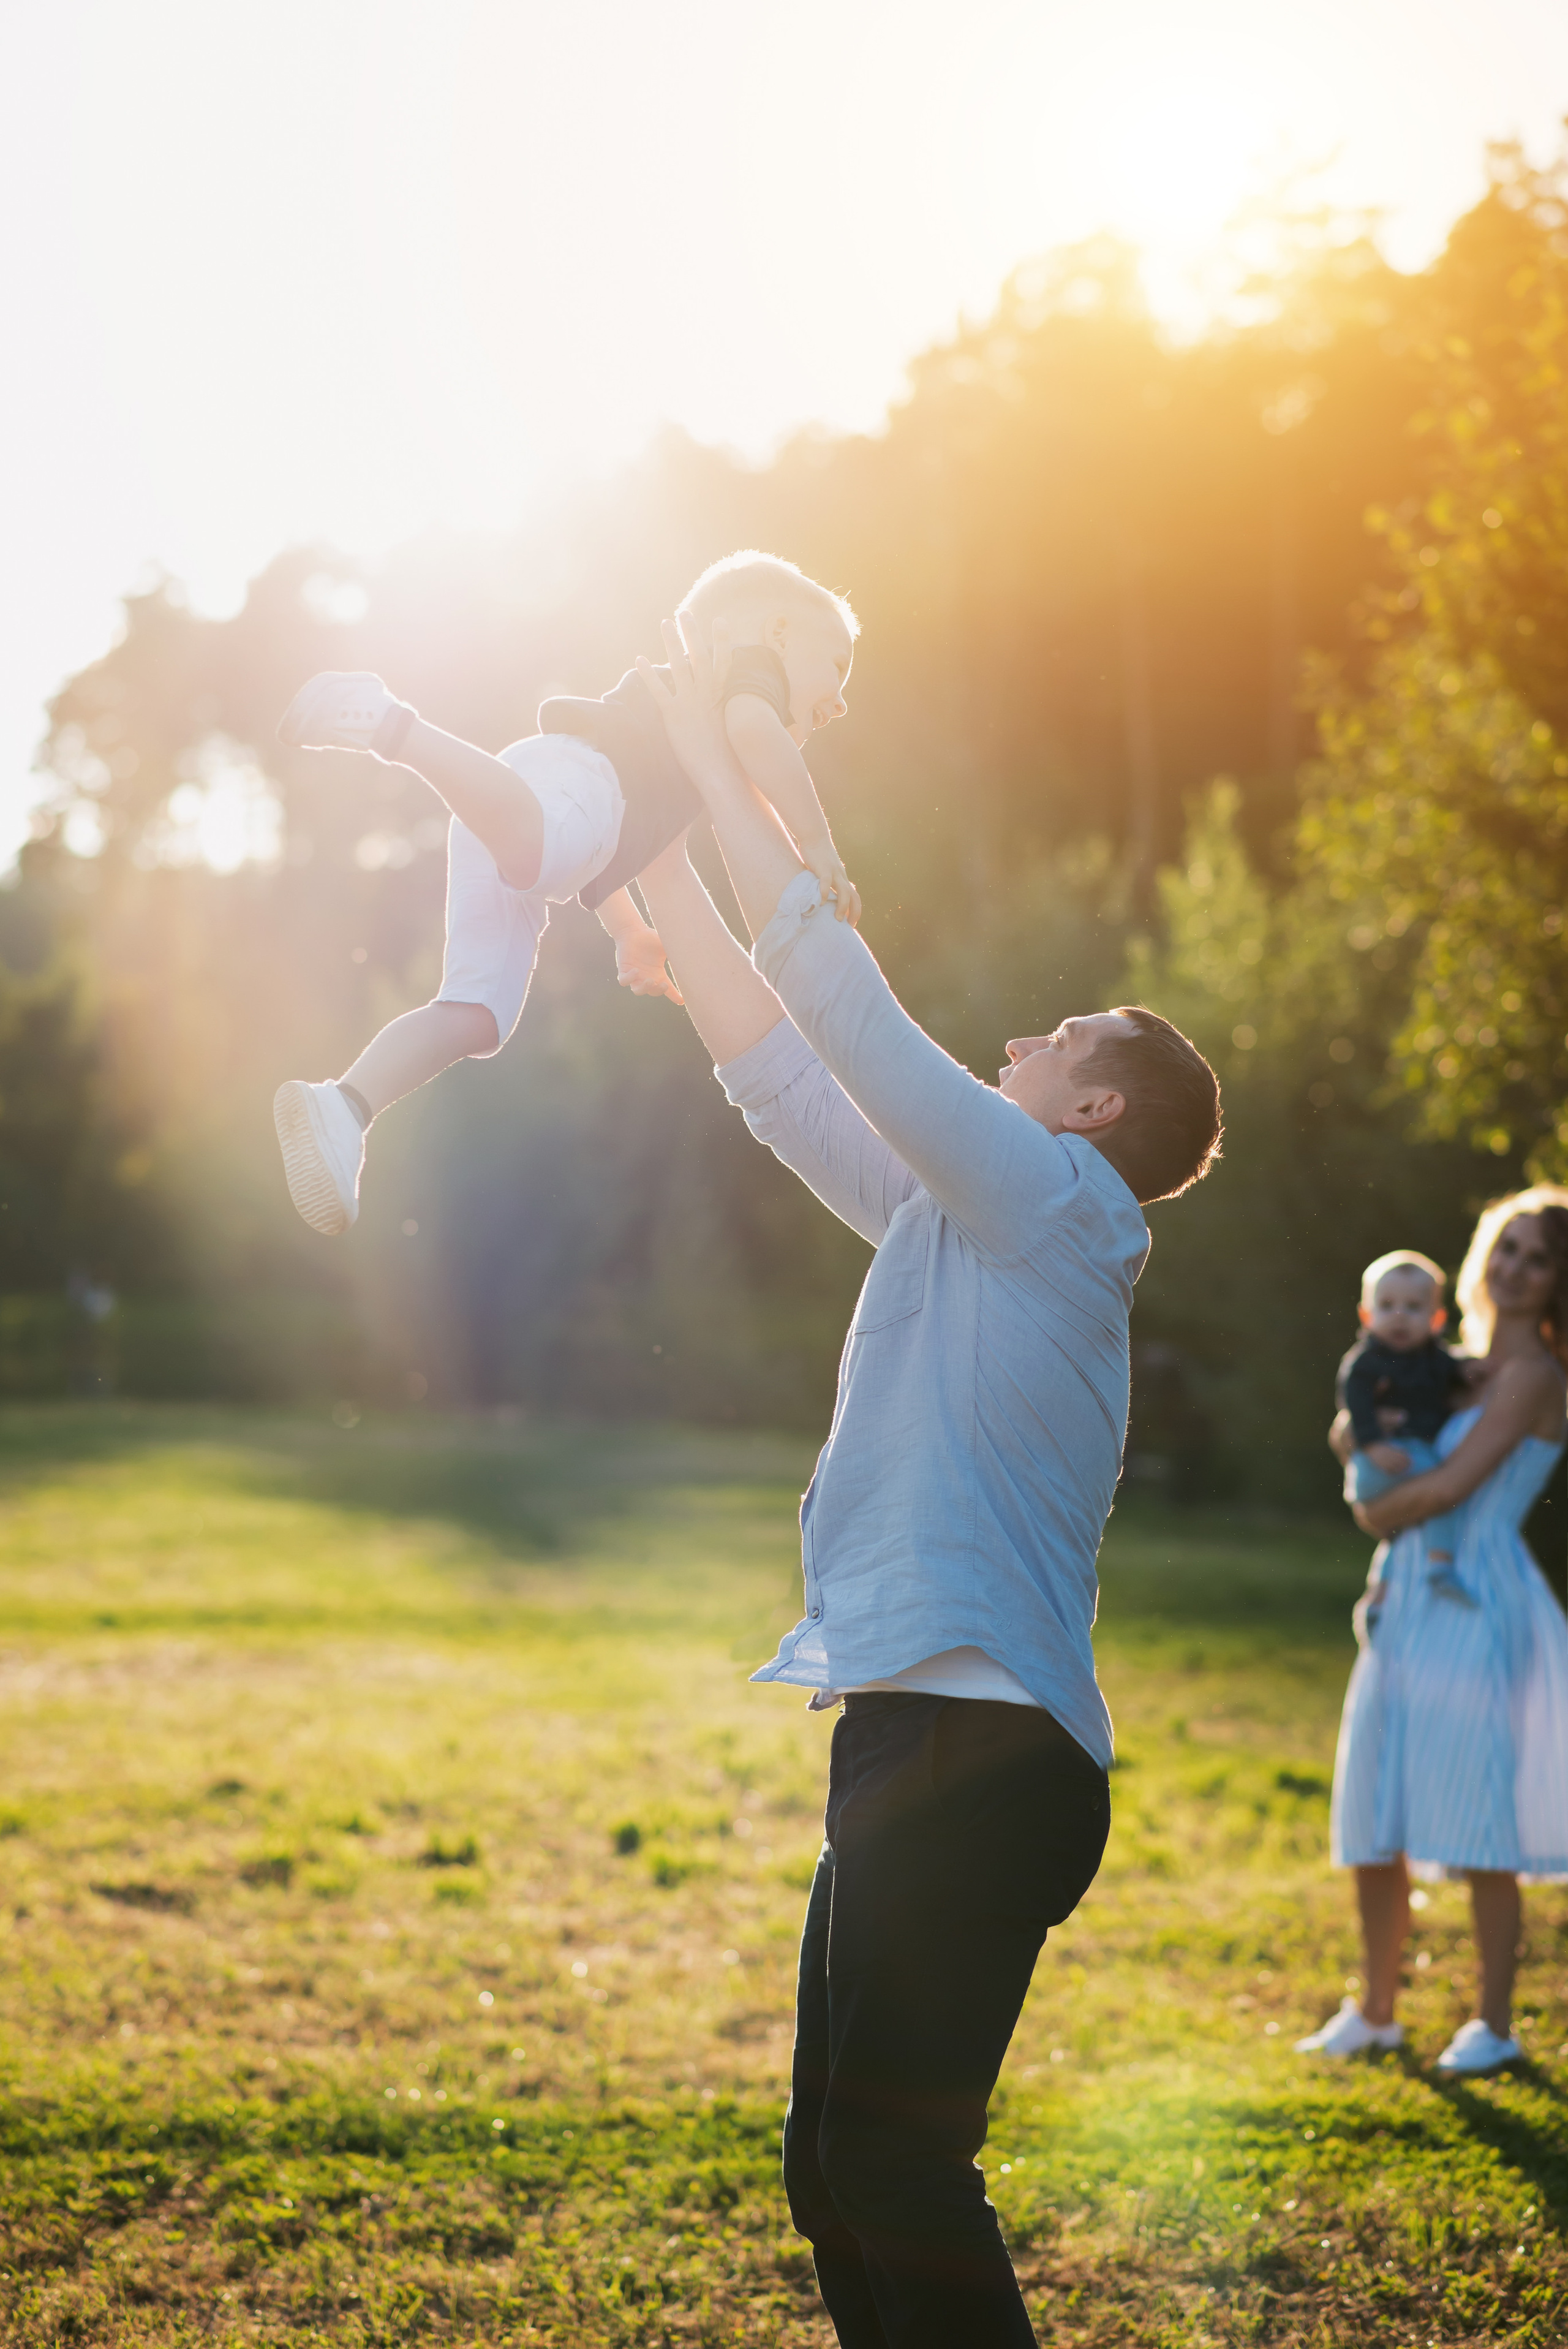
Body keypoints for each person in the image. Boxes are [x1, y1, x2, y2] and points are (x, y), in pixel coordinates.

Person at [631, 618, 1223, 2349]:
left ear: (1094, 1102)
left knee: (898, 2170)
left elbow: (838, 994)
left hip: (989, 1755)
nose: (1021, 1036)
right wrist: (657, 849)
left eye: (1056, 1035)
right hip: (913, 1733)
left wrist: (707, 744)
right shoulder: (957, 1215)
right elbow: (784, 1077)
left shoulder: (1057, 1206)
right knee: (837, 2171)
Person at [268, 553, 859, 1234]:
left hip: (523, 806)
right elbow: (755, 740)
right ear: (779, 633)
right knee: (543, 857)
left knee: (481, 1013)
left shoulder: (691, 741)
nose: (841, 699)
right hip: (560, 790)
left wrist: (628, 931)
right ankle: (385, 722)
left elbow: (633, 845)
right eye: (838, 666)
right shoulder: (741, 673)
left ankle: (344, 1107)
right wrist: (817, 847)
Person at [1298, 1187, 1568, 2075]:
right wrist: (1359, 1449)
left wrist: (1371, 1508)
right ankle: (1376, 2011)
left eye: (1539, 1256)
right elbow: (1350, 1424)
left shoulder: (1535, 1376)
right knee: (1374, 1803)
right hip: (1400, 1602)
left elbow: (1451, 1487)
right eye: (1509, 1247)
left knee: (1477, 1812)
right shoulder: (1448, 1362)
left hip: (1478, 1599)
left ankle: (1493, 2023)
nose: (1517, 1268)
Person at [1336, 1249, 1471, 1603]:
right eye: (1387, 1305)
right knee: (1441, 1491)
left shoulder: (1436, 1359)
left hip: (1409, 1456)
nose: (1399, 1316)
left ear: (1437, 1320)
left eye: (1413, 1308)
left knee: (1403, 1533)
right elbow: (1356, 1403)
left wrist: (1468, 1370)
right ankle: (1440, 1563)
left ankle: (1380, 1593)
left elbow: (1454, 1371)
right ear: (1367, 1316)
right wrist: (1373, 1443)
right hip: (1380, 1458)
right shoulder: (1367, 1362)